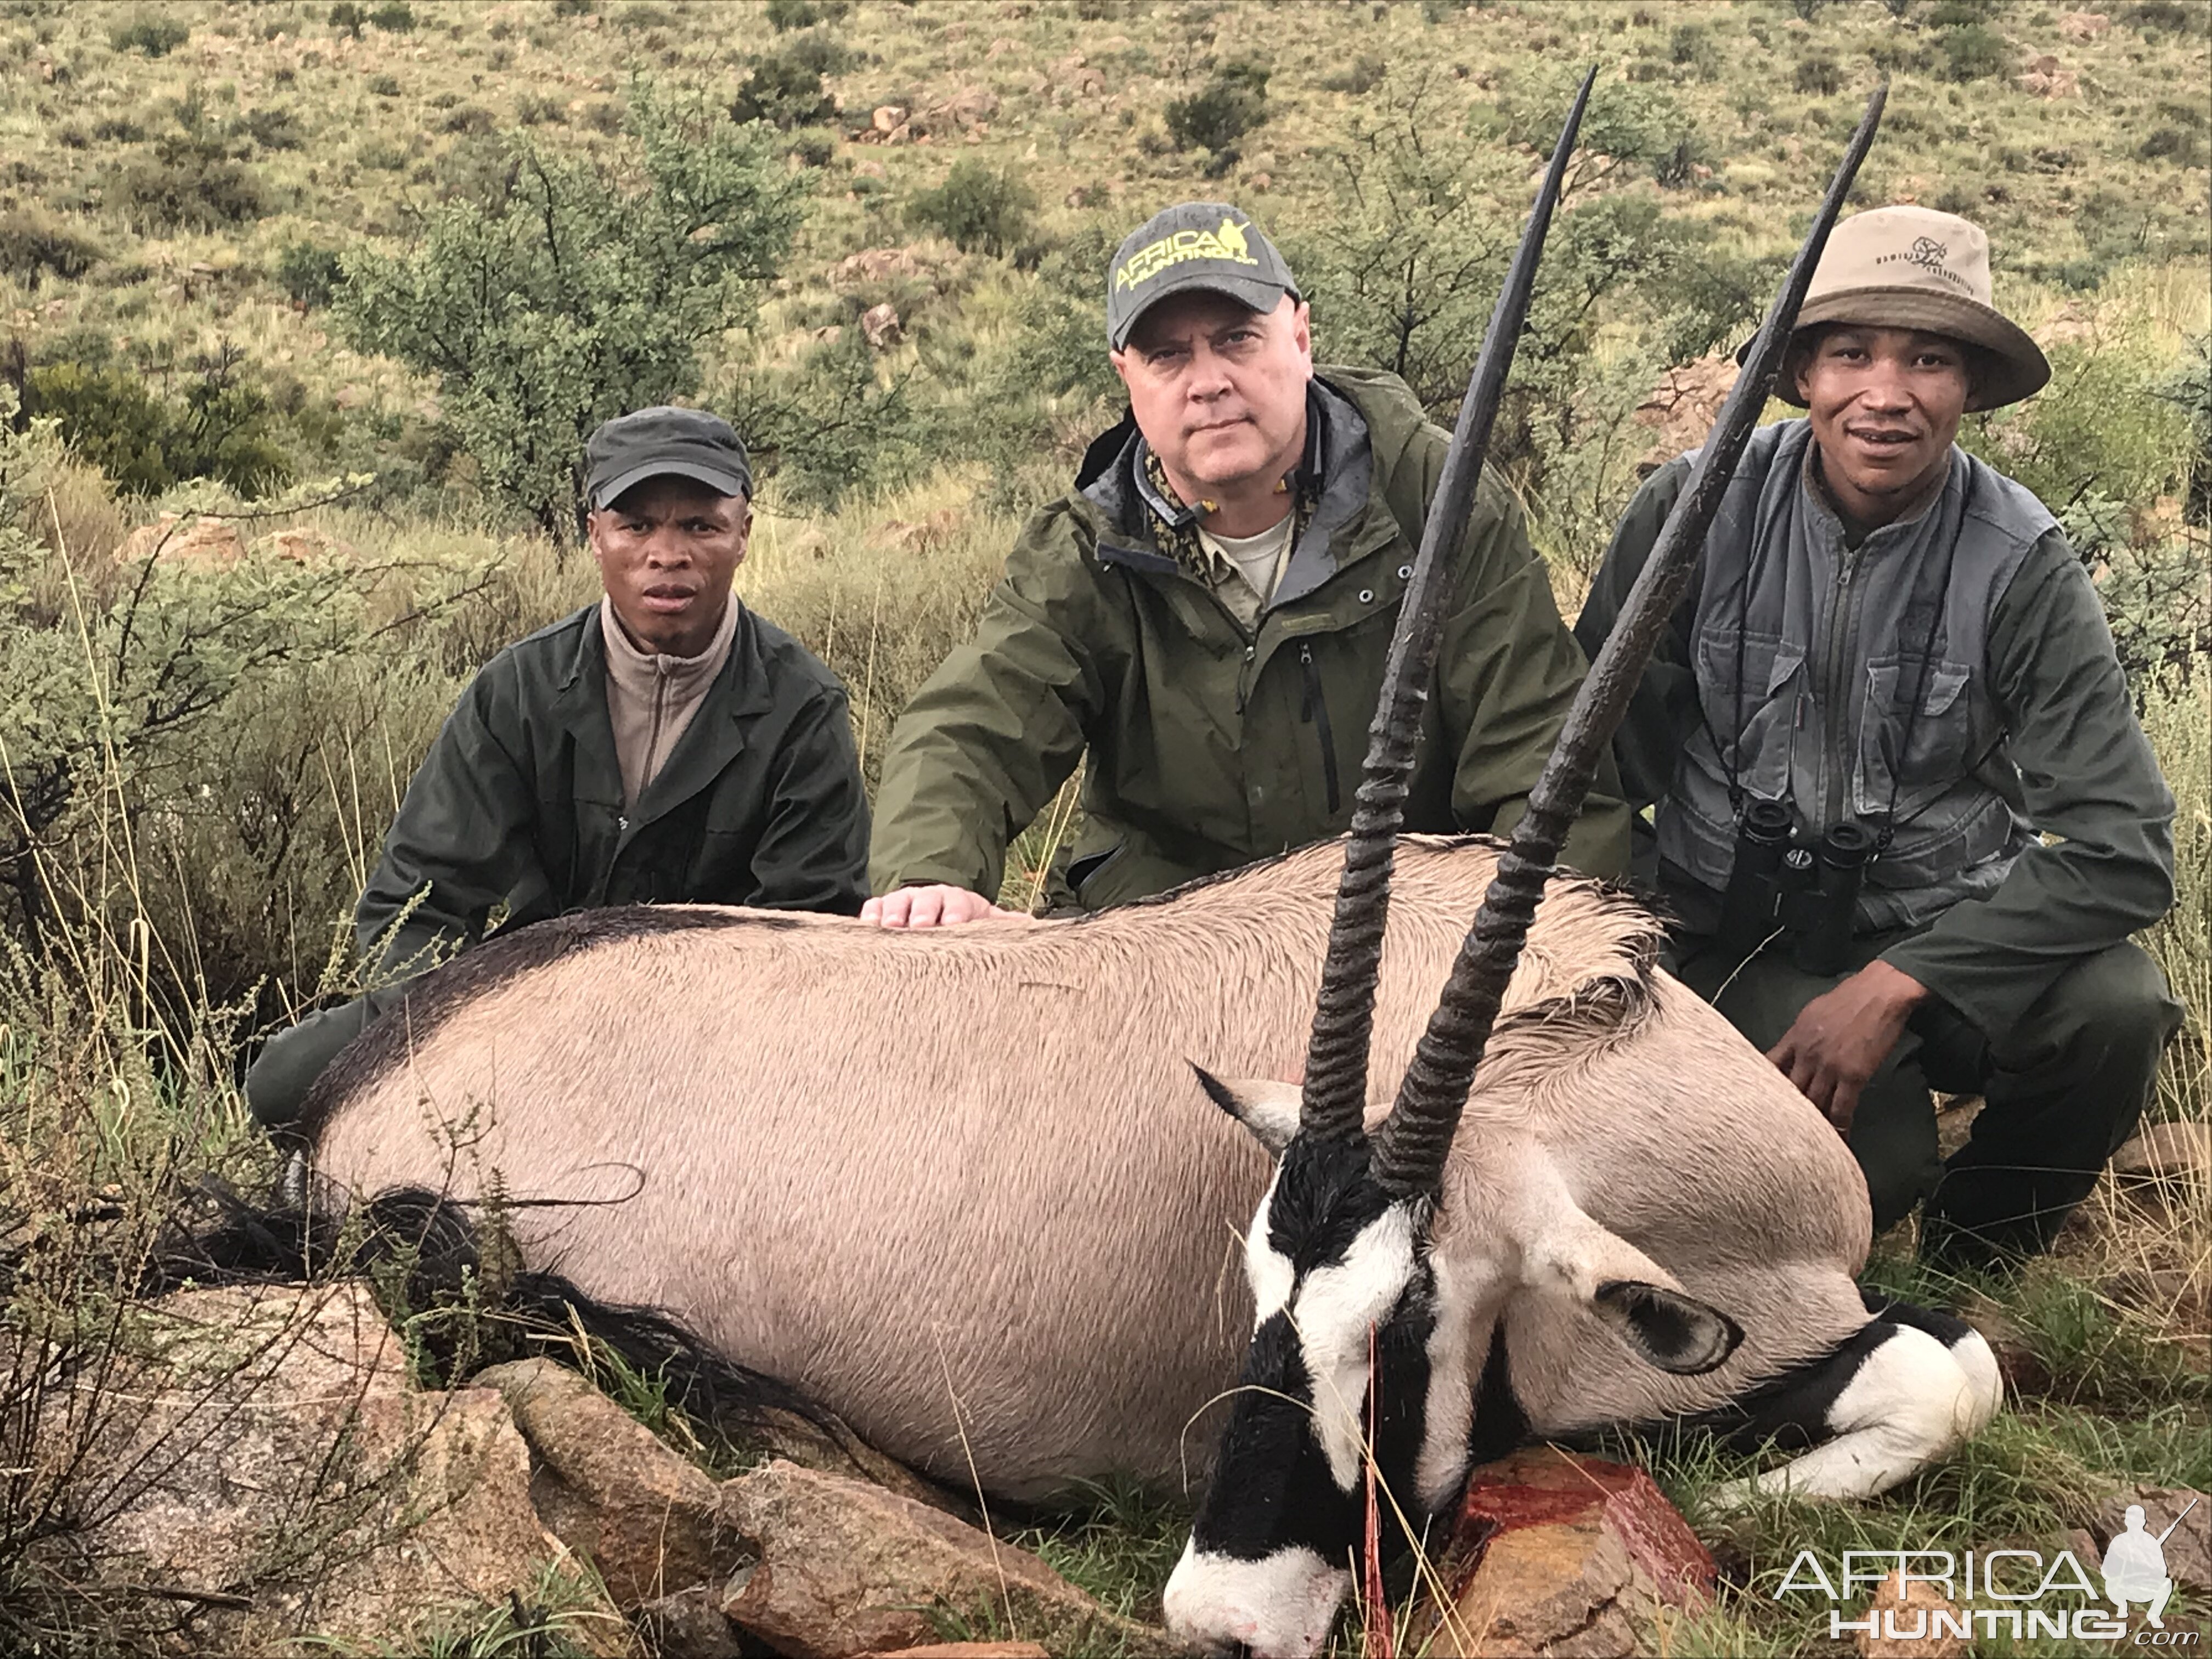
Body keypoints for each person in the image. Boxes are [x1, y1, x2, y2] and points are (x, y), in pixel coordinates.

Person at [1575, 205, 2179, 1267]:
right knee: (1864, 1175)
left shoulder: (2023, 563)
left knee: (2116, 1012)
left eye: (1930, 359)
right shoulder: (1694, 509)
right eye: (1852, 351)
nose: (1886, 394)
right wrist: (1645, 969)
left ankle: (1980, 1258)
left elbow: (2125, 851)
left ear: (1974, 387)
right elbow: (1591, 766)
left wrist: (1897, 983)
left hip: (1945, 934)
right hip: (1740, 935)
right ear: (1806, 368)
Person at [865, 201, 1628, 928]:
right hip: (1163, 941)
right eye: (1167, 355)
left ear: (1300, 337)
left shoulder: (1435, 496)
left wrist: (1516, 956)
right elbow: (973, 724)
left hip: (1400, 937)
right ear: (1126, 378)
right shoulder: (1085, 545)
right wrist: (929, 879)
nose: (1208, 382)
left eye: (1236, 338)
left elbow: (1540, 760)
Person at [246, 407, 870, 1129]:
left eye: (699, 525)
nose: (667, 553)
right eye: (637, 525)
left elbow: (811, 935)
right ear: (594, 534)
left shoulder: (802, 705)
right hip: (524, 1009)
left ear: (743, 534)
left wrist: (678, 1043)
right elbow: (416, 908)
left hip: (716, 1033)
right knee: (285, 1084)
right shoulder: (518, 689)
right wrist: (466, 1030)